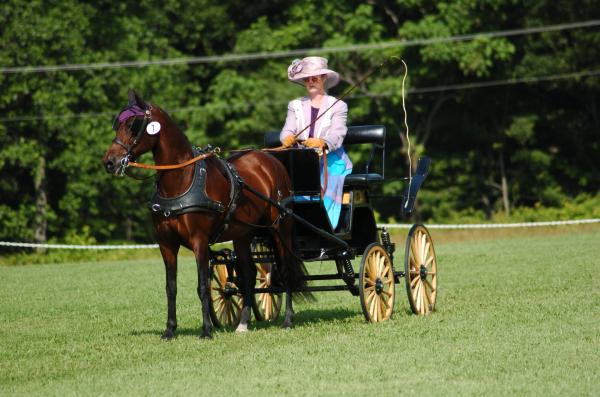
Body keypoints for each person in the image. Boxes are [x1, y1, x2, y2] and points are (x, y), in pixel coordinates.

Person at [280, 56, 352, 230]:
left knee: (326, 184)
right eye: (307, 79)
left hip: (332, 160)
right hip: (303, 160)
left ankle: (326, 227)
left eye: (315, 78)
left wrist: (322, 142)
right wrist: (287, 138)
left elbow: (338, 132)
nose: (311, 81)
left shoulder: (338, 106)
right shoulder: (294, 105)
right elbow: (287, 130)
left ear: (324, 79)